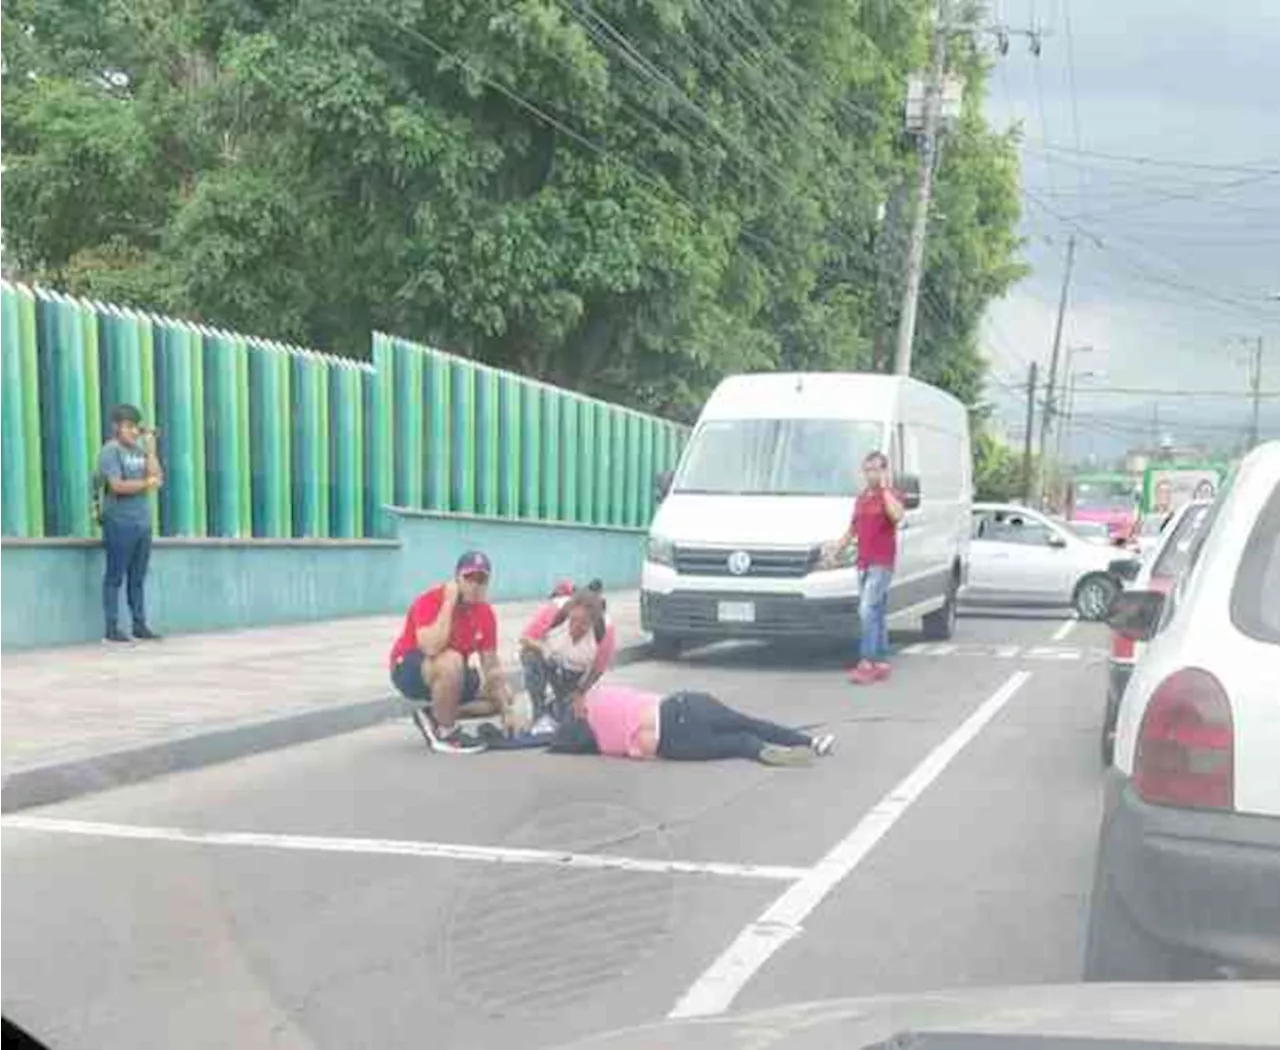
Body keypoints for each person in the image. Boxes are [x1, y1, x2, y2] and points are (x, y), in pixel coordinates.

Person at [389, 551, 515, 754]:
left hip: (452, 674)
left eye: (481, 579)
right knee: (451, 659)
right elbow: (431, 647)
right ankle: (446, 732)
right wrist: (448, 603)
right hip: (412, 668)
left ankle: (434, 715)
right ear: (457, 578)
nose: (475, 585)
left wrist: (507, 712)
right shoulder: (430, 600)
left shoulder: (485, 613)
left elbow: (491, 666)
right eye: (469, 578)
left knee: (503, 695)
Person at [548, 685, 835, 765]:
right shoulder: (605, 693)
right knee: (747, 722)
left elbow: (645, 750)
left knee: (737, 743)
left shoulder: (600, 740)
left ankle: (761, 752)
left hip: (674, 742)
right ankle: (809, 742)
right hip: (682, 703)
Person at [826, 450, 904, 686]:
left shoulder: (890, 495)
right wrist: (836, 551)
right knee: (877, 611)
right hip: (863, 562)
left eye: (876, 469)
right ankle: (880, 660)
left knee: (866, 609)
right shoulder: (862, 498)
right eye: (868, 470)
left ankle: (867, 661)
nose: (871, 474)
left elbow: (897, 516)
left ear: (884, 471)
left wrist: (884, 489)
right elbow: (853, 529)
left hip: (882, 562)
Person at [97, 404, 163, 643]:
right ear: (116, 427)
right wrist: (146, 483)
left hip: (142, 523)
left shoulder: (139, 450)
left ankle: (139, 625)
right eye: (129, 427)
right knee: (115, 576)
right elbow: (117, 486)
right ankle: (111, 628)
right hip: (119, 522)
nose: (134, 431)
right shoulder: (110, 451)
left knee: (138, 577)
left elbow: (158, 477)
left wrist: (152, 450)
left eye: (136, 427)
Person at [519, 588, 617, 731]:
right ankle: (538, 711)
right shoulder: (554, 611)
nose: (575, 628)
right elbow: (525, 639)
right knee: (529, 655)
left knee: (569, 719)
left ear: (593, 623)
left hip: (573, 672)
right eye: (573, 620)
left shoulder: (605, 631)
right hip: (550, 659)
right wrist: (544, 650)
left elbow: (597, 669)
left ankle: (556, 705)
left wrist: (580, 692)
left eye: (583, 624)